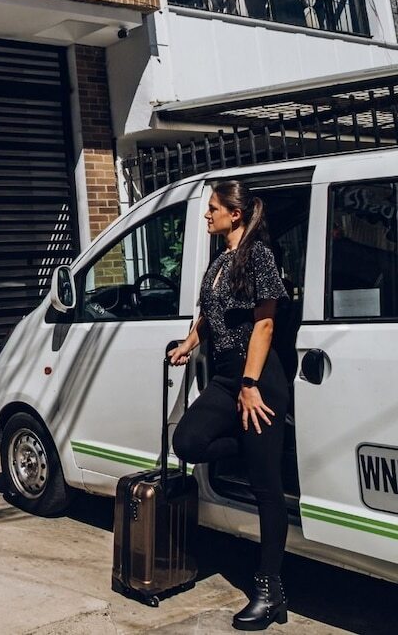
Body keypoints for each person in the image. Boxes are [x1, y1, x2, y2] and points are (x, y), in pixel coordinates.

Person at [167, 180, 290, 631]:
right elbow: (210, 314)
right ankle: (256, 444)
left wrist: (251, 384)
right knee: (187, 442)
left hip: (257, 378)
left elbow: (265, 325)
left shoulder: (259, 256)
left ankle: (270, 591)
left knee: (266, 488)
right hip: (223, 378)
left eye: (213, 208)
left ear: (234, 214)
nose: (207, 215)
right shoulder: (219, 262)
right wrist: (188, 343)